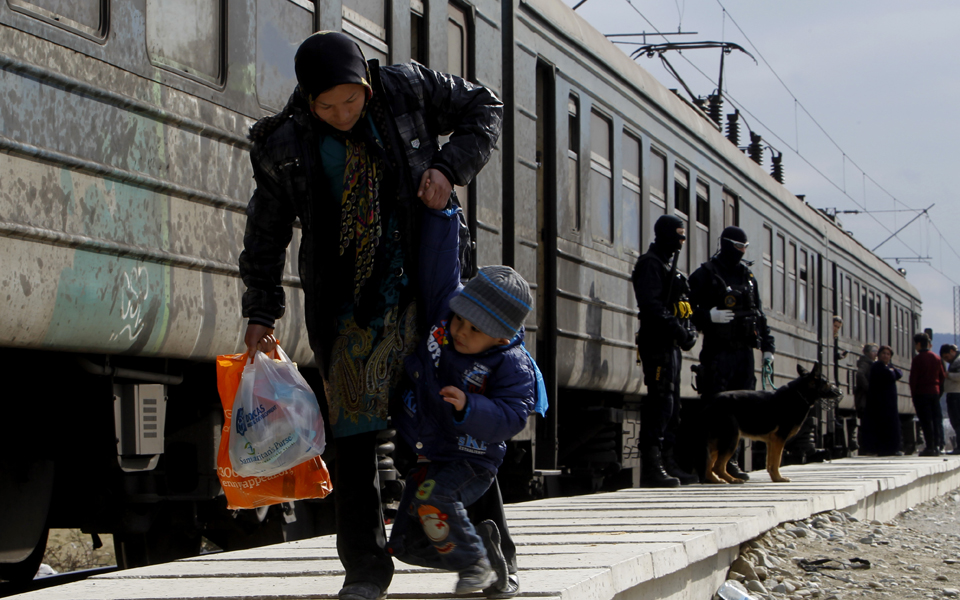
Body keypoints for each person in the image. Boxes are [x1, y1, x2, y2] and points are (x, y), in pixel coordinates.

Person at [238, 31, 503, 600]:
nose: (342, 114)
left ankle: (491, 553)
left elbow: (485, 107)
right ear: (307, 101)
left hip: (425, 294)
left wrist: (448, 167)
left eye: (351, 100)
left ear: (366, 84)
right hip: (348, 310)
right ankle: (363, 570)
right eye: (327, 106)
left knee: (448, 423)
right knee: (354, 441)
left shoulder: (406, 89)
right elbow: (266, 229)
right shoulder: (284, 144)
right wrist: (261, 308)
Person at [387, 205, 540, 596]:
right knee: (404, 543)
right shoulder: (446, 313)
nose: (459, 331)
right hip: (430, 448)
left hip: (471, 458)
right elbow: (441, 265)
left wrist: (469, 408)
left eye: (474, 329)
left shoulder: (512, 364)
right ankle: (486, 558)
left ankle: (476, 564)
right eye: (459, 319)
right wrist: (442, 213)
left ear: (501, 337)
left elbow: (512, 415)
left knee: (435, 500)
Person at [688, 226, 775, 480]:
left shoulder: (748, 276)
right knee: (715, 410)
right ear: (726, 245)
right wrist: (708, 316)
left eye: (745, 248)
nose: (742, 252)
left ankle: (730, 462)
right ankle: (706, 465)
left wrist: (768, 348)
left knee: (743, 411)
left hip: (744, 354)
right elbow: (686, 308)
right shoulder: (705, 274)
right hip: (718, 352)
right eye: (738, 247)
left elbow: (759, 315)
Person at [631, 215, 699, 487]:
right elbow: (652, 307)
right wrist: (679, 331)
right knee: (660, 403)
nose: (681, 242)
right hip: (657, 343)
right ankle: (653, 466)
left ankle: (668, 462)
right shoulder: (650, 265)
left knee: (672, 405)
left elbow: (681, 306)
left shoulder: (667, 266)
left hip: (670, 345)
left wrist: (688, 330)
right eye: (678, 236)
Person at [860, 345, 903, 456]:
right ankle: (884, 448)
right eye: (883, 353)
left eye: (888, 354)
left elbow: (899, 373)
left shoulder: (888, 366)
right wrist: (892, 372)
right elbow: (891, 375)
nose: (885, 356)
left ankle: (892, 448)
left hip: (890, 401)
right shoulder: (877, 366)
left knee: (891, 425)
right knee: (883, 425)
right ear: (878, 355)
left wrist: (892, 371)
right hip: (880, 401)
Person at [909, 333, 945, 456]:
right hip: (935, 392)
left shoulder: (918, 359)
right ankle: (937, 446)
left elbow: (913, 379)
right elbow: (942, 376)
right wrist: (938, 391)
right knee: (936, 420)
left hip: (921, 393)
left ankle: (929, 447)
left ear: (919, 344)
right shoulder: (936, 358)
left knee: (926, 420)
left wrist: (913, 395)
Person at [854, 343, 879, 450]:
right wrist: (868, 388)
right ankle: (867, 447)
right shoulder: (865, 363)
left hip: (867, 398)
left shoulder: (870, 363)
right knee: (867, 423)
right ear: (867, 352)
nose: (875, 353)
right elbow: (860, 374)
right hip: (865, 399)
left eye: (876, 351)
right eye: (873, 351)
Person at [940, 344, 960, 454]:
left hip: (956, 395)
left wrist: (949, 375)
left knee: (957, 422)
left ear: (952, 351)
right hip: (953, 394)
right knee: (955, 422)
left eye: (947, 357)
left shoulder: (958, 361)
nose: (946, 360)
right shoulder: (954, 362)